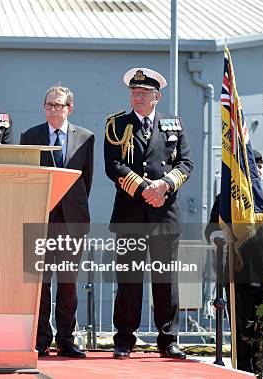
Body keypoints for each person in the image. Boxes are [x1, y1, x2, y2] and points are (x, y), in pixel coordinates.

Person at [103, 68, 193, 359]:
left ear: (157, 96)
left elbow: (186, 163)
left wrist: (164, 185)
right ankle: (124, 339)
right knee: (129, 279)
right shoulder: (117, 124)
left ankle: (168, 339)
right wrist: (144, 188)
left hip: (164, 214)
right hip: (131, 213)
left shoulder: (173, 126)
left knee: (166, 280)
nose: (137, 97)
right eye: (134, 92)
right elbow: (113, 165)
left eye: (143, 93)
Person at [20, 85, 93, 358]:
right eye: (49, 105)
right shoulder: (31, 136)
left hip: (72, 221)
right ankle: (41, 339)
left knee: (67, 284)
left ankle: (66, 339)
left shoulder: (86, 138)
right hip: (41, 219)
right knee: (40, 283)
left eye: (58, 106)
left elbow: (86, 180)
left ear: (69, 109)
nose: (53, 110)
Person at [204, 149, 263, 374]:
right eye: (253, 165)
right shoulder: (226, 200)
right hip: (238, 273)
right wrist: (220, 236)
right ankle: (243, 373)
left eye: (260, 166)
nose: (258, 170)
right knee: (242, 332)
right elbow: (210, 231)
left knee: (262, 333)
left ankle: (260, 371)